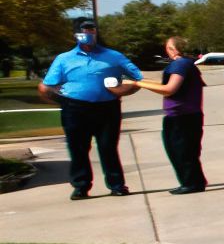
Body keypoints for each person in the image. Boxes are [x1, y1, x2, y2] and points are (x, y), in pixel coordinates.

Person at [38, 17, 143, 200]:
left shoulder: (113, 56)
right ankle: (81, 186)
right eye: (84, 30)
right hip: (75, 109)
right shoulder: (64, 59)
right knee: (78, 148)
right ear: (76, 34)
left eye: (92, 30)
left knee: (108, 147)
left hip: (107, 108)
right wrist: (62, 101)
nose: (89, 34)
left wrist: (122, 90)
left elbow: (137, 78)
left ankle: (117, 185)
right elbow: (48, 85)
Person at [131, 36, 208, 194]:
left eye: (167, 47)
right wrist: (140, 80)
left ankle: (191, 183)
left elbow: (169, 89)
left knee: (182, 151)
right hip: (187, 115)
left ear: (173, 49)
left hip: (182, 116)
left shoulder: (180, 64)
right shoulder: (186, 64)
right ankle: (195, 181)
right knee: (186, 151)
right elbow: (164, 85)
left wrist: (137, 84)